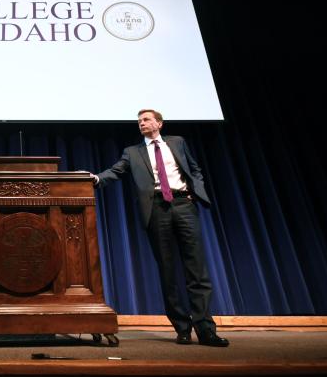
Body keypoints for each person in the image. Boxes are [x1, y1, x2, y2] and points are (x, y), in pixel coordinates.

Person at [91, 109, 229, 347]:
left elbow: (194, 169)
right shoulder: (132, 152)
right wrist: (95, 179)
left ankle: (206, 330)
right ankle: (182, 328)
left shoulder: (177, 142)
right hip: (156, 209)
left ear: (159, 123)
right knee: (168, 271)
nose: (141, 124)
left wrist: (196, 190)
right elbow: (116, 171)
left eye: (145, 120)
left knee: (197, 270)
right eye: (139, 121)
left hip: (184, 204)